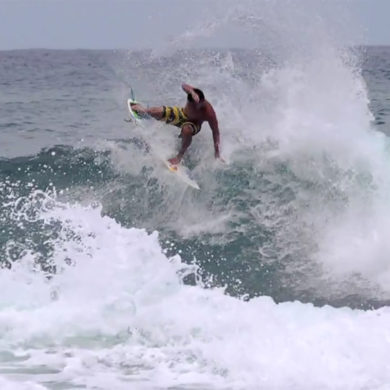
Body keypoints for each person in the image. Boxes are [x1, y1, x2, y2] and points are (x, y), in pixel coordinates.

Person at [131, 83, 222, 165]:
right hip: (182, 114)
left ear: (201, 104)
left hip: (194, 124)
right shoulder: (193, 94)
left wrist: (217, 153)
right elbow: (184, 85)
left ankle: (179, 156)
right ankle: (144, 112)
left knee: (187, 129)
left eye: (195, 108)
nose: (192, 109)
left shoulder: (209, 112)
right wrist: (192, 92)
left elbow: (216, 132)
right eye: (190, 106)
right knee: (155, 111)